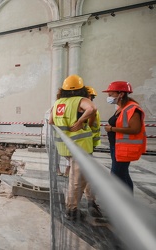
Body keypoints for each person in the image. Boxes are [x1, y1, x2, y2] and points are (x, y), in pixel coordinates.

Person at [49, 74, 102, 220]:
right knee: (76, 179)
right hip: (80, 147)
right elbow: (92, 108)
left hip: (64, 146)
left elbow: (50, 121)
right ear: (81, 89)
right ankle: (71, 210)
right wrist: (80, 122)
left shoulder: (58, 103)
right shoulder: (81, 100)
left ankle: (88, 202)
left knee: (82, 176)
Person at [103, 81, 146, 193]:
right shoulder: (121, 107)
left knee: (116, 175)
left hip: (124, 148)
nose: (109, 97)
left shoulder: (132, 109)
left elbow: (135, 129)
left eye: (111, 94)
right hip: (116, 146)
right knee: (123, 175)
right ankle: (129, 202)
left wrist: (112, 129)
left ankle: (124, 204)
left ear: (121, 94)